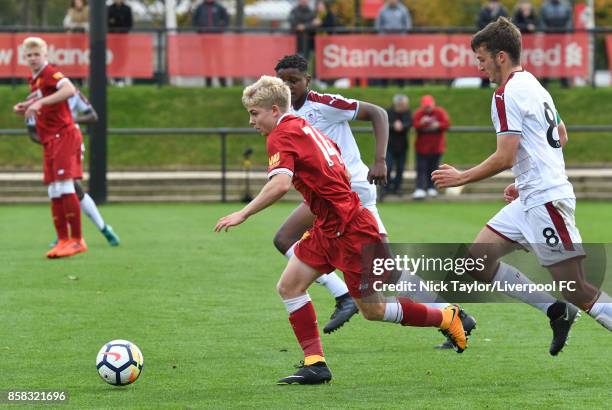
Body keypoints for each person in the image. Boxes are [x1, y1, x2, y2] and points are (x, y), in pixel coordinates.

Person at [215, 75, 468, 384]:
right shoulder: (304, 128)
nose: (251, 120)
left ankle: (445, 316)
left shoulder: (281, 135)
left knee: (373, 310)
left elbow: (280, 184)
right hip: (329, 226)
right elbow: (338, 166)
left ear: (276, 109)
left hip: (351, 231)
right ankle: (315, 363)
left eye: (255, 113)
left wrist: (243, 213)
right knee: (289, 286)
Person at [432, 17, 612, 356]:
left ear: (501, 56)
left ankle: (566, 305)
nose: (479, 66)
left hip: (545, 200)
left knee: (577, 288)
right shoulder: (533, 83)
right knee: (477, 261)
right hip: (533, 195)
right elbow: (561, 134)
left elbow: (504, 156)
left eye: (482, 58)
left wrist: (462, 177)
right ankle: (554, 311)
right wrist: (525, 179)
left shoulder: (505, 94)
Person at [274, 54, 476, 347]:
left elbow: (378, 113)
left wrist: (380, 160)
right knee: (388, 271)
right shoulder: (284, 116)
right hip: (333, 194)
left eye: (293, 80)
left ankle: (344, 296)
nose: (288, 86)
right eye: (282, 81)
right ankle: (454, 315)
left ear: (307, 80)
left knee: (285, 238)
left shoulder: (325, 104)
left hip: (350, 188)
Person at [13, 37, 86, 258]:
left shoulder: (50, 73)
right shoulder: (35, 80)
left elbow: (69, 89)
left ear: (46, 55)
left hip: (64, 134)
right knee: (54, 189)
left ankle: (77, 240)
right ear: (25, 58)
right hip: (50, 139)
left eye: (37, 54)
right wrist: (26, 105)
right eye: (29, 55)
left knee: (65, 185)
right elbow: (42, 96)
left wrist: (40, 103)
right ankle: (63, 239)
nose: (33, 58)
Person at [25, 90, 120, 247]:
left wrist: (68, 120)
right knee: (64, 189)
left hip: (71, 142)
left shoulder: (70, 93)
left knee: (69, 186)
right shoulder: (34, 98)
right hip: (52, 146)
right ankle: (70, 234)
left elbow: (93, 116)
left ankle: (90, 231)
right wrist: (50, 142)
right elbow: (32, 132)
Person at [412, 95, 449, 200]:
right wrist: (421, 123)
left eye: (429, 106)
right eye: (425, 106)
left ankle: (431, 188)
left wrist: (438, 125)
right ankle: (420, 188)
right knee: (421, 168)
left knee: (434, 168)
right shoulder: (419, 113)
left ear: (433, 104)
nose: (427, 108)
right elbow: (414, 125)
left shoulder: (440, 112)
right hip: (421, 147)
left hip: (437, 147)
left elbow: (446, 124)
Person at [192, 0, 230, 87]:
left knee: (219, 61)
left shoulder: (219, 7)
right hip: (205, 40)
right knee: (207, 62)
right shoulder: (199, 8)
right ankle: (208, 85)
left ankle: (223, 85)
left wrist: (221, 29)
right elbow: (194, 21)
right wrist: (200, 31)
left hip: (217, 39)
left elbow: (226, 20)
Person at [384, 94, 412, 196]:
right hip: (389, 145)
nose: (405, 106)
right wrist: (393, 126)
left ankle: (397, 187)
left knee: (400, 168)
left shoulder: (407, 112)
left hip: (402, 145)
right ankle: (385, 188)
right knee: (388, 167)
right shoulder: (388, 112)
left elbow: (409, 123)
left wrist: (402, 126)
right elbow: (384, 124)